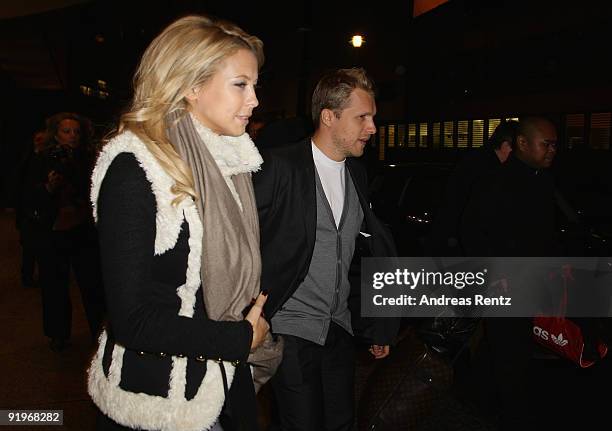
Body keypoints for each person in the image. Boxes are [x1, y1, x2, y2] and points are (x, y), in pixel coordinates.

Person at [86, 15, 274, 431]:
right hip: (156, 398)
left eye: (254, 85)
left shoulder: (228, 164)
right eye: (241, 84)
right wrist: (239, 338)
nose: (255, 100)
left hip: (222, 384)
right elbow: (132, 319)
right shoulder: (135, 167)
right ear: (191, 85)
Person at [253, 68, 399, 431]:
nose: (372, 128)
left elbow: (365, 251)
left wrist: (380, 324)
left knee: (340, 422)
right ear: (329, 117)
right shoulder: (280, 166)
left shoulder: (357, 173)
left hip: (338, 327)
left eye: (373, 118)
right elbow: (243, 243)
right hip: (289, 326)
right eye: (362, 117)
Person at [461, 116, 560, 431]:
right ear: (522, 143)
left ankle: (487, 402)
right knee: (509, 353)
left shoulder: (541, 181)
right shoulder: (498, 182)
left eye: (555, 144)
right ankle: (511, 414)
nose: (552, 151)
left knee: (510, 353)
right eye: (546, 144)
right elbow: (472, 231)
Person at [21, 112, 105, 351]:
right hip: (53, 229)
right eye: (67, 131)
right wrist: (48, 187)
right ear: (56, 133)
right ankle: (58, 334)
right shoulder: (42, 159)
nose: (72, 136)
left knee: (92, 284)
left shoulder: (88, 158)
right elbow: (28, 193)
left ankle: (99, 333)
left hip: (83, 228)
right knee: (54, 285)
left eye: (76, 132)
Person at [427, 120, 518, 256]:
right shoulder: (488, 169)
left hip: (453, 243)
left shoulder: (477, 160)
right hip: (459, 247)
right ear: (506, 146)